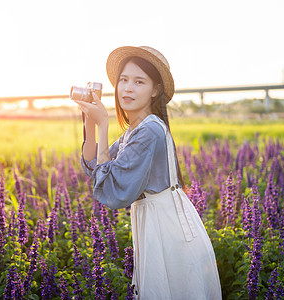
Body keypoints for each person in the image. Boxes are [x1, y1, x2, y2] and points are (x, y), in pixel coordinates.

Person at [75, 46, 222, 299]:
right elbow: (95, 168)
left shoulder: (149, 131)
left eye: (139, 81)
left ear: (155, 90)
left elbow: (113, 189)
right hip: (157, 222)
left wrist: (102, 125)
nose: (127, 88)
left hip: (166, 228)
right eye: (123, 80)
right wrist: (89, 121)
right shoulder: (135, 131)